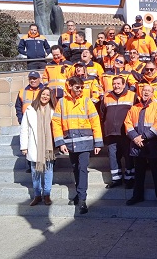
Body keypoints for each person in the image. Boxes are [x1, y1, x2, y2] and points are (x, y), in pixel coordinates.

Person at [52, 76, 103, 214]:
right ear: (69, 86)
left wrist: (98, 142)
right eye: (77, 87)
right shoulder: (61, 103)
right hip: (70, 142)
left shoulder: (87, 101)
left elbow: (95, 122)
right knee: (75, 168)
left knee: (82, 168)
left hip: (85, 143)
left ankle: (82, 200)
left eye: (82, 87)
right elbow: (56, 123)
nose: (80, 90)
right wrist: (60, 142)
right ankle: (79, 193)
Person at [124, 84, 157, 207]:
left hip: (152, 144)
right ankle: (137, 196)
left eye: (149, 91)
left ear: (153, 93)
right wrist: (135, 138)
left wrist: (142, 137)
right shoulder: (133, 108)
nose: (146, 93)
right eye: (144, 90)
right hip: (137, 145)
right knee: (139, 173)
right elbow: (127, 124)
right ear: (140, 93)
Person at [20, 87, 56, 206]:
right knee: (35, 172)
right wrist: (24, 146)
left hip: (48, 147)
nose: (45, 96)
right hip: (34, 146)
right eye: (43, 94)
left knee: (48, 171)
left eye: (48, 95)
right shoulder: (30, 109)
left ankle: (46, 195)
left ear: (50, 97)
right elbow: (24, 129)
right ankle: (37, 195)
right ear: (39, 95)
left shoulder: (54, 110)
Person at [101, 76, 137, 189]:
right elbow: (102, 113)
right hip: (111, 132)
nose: (116, 86)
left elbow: (137, 112)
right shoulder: (107, 96)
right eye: (114, 83)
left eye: (118, 83)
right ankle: (116, 179)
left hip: (126, 132)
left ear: (124, 84)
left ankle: (129, 179)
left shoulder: (132, 95)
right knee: (113, 156)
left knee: (128, 156)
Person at [15, 71, 44, 173]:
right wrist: (20, 119)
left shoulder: (44, 90)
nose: (33, 80)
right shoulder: (22, 91)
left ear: (39, 79)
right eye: (31, 78)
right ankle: (30, 165)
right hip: (27, 122)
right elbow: (18, 107)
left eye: (35, 78)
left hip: (41, 121)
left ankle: (46, 164)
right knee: (28, 144)